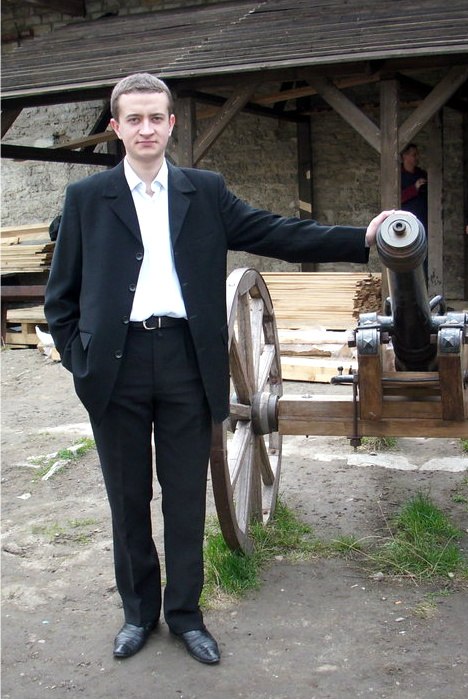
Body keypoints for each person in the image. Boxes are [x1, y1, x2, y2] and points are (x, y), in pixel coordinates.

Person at [44, 72, 392, 666]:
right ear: (117, 127)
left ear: (171, 124)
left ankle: (186, 615)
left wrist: (360, 237)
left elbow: (278, 232)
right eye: (134, 119)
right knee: (128, 498)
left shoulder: (204, 192)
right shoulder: (86, 199)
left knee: (185, 496)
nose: (146, 129)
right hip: (115, 368)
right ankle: (137, 614)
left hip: (187, 362)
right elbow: (61, 296)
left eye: (156, 118)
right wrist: (81, 360)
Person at [400, 143, 429, 276]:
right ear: (405, 156)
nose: (417, 157)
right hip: (405, 223)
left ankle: (424, 285)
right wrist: (415, 188)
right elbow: (396, 198)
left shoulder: (422, 174)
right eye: (414, 155)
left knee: (423, 255)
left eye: (417, 154)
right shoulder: (398, 175)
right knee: (406, 255)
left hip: (423, 220)